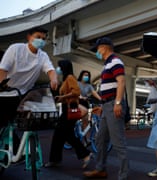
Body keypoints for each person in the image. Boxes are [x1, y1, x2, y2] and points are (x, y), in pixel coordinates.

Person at [83, 37, 129, 180]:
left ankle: (123, 176)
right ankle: (100, 169)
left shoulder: (115, 61)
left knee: (118, 142)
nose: (97, 51)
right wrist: (103, 105)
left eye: (98, 48)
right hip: (107, 105)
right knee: (100, 138)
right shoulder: (107, 64)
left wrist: (117, 103)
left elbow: (121, 81)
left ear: (104, 47)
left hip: (113, 104)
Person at [0, 27, 58, 128]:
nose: (41, 40)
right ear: (29, 37)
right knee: (3, 123)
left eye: (43, 39)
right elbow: (3, 68)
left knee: (27, 123)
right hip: (6, 92)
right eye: (38, 37)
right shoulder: (16, 49)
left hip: (24, 95)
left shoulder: (43, 56)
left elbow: (50, 70)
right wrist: (1, 84)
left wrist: (54, 80)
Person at [45, 59, 91, 168]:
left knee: (64, 134)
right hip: (67, 107)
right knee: (62, 134)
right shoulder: (66, 79)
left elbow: (76, 92)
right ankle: (55, 159)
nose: (58, 69)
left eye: (60, 67)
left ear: (64, 67)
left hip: (70, 109)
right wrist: (60, 99)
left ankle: (85, 155)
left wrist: (62, 97)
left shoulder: (70, 77)